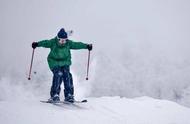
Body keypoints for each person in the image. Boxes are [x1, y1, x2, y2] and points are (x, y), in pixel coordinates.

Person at [32, 28, 92, 103]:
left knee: (67, 75)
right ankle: (55, 95)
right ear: (58, 39)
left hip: (65, 62)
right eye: (61, 40)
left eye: (64, 40)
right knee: (58, 74)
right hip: (54, 62)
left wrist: (86, 46)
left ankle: (69, 95)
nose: (63, 42)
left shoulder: (68, 43)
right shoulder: (53, 42)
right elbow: (45, 43)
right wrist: (37, 44)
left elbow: (77, 45)